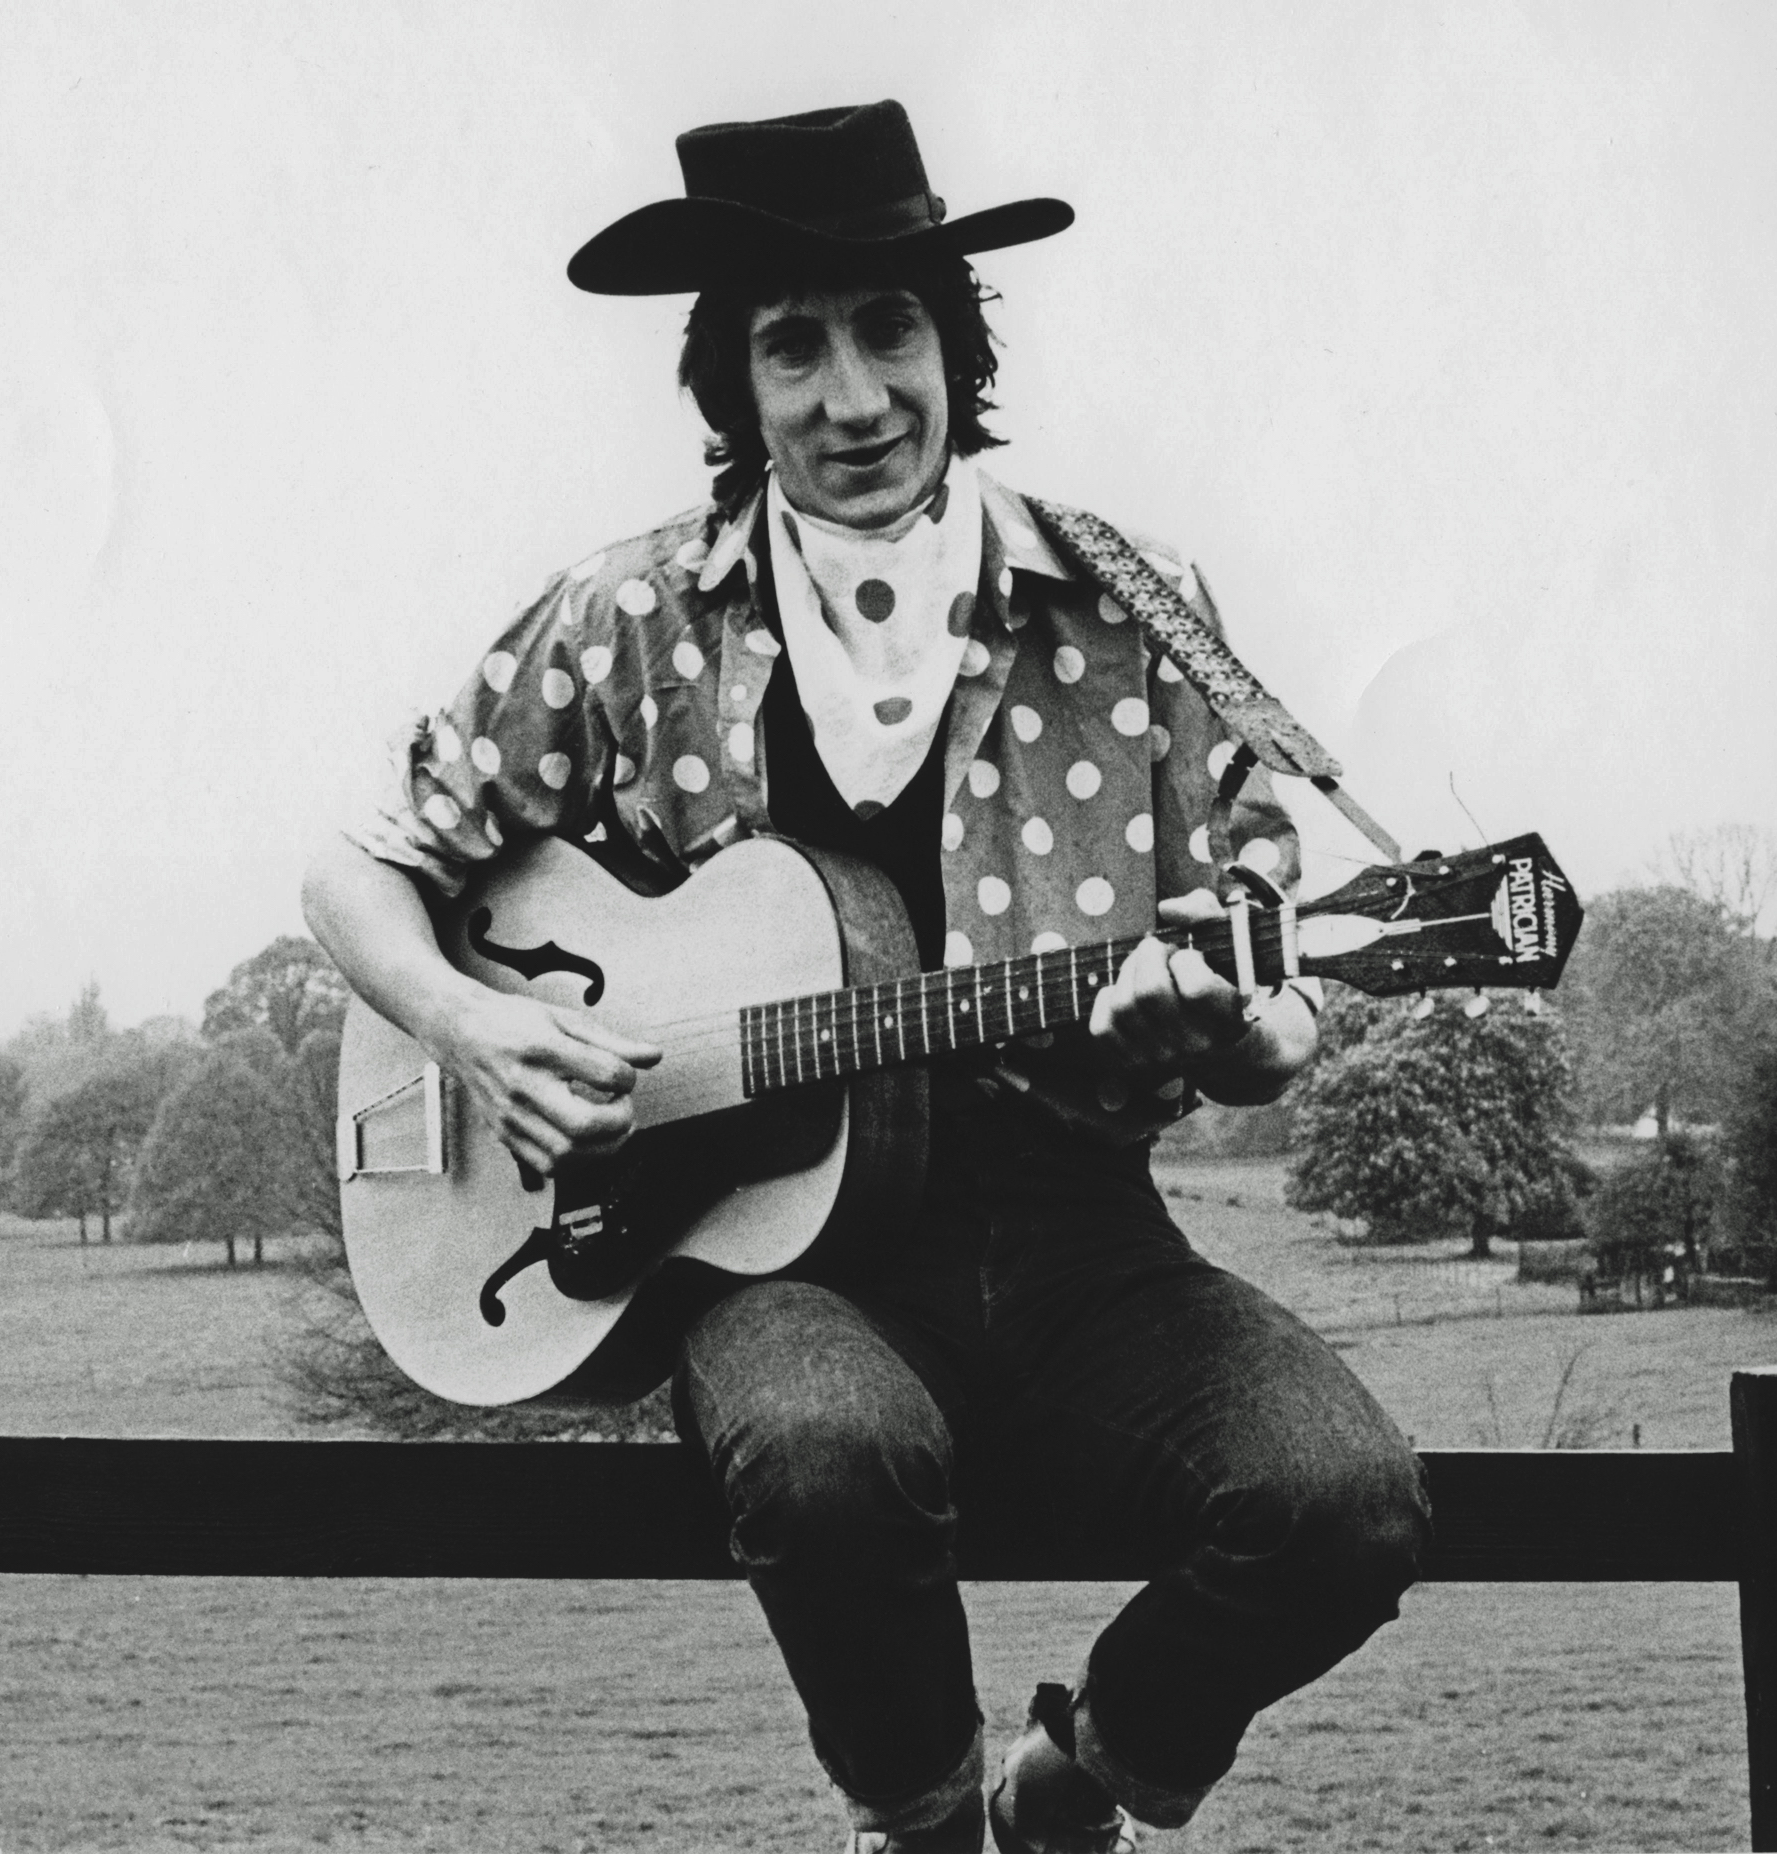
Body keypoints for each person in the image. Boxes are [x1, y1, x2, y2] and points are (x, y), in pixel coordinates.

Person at [304, 100, 1429, 1854]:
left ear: (956, 347)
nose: (853, 398)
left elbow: (1280, 972)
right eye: (794, 345)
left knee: (1345, 1496)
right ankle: (919, 1821)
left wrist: (1241, 1027)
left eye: (891, 328)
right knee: (828, 1452)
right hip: (781, 1265)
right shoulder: (626, 618)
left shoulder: (1134, 606)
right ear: (733, 383)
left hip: (1086, 1244)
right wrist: (477, 1028)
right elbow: (358, 870)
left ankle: (1079, 1779)